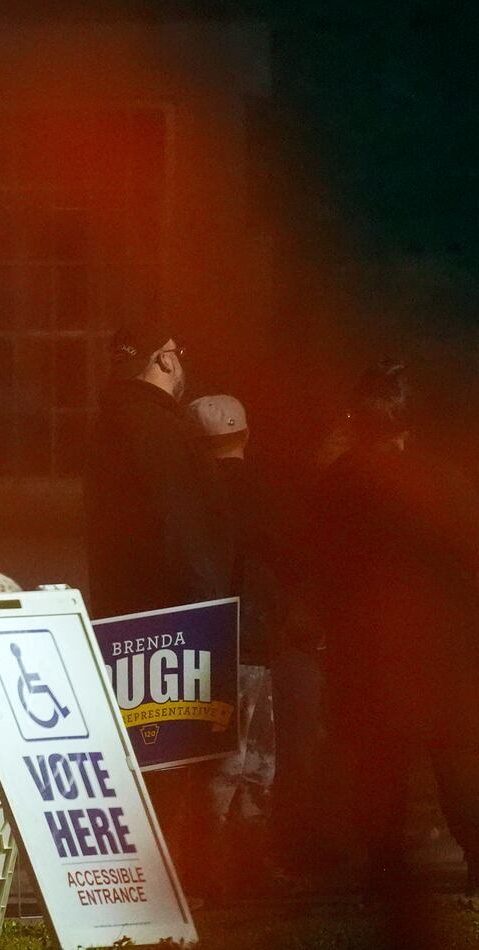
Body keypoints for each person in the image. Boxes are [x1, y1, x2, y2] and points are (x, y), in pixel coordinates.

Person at [315, 359, 479, 894]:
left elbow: (314, 558)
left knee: (380, 757)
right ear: (407, 423)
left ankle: (383, 864)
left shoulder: (339, 482)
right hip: (440, 641)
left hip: (367, 642)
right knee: (455, 751)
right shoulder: (436, 475)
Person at [83, 324, 227, 889]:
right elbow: (181, 527)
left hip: (124, 610)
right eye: (179, 352)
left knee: (141, 755)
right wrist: (210, 598)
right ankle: (179, 878)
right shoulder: (159, 429)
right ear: (164, 358)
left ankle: (148, 873)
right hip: (175, 620)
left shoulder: (107, 425)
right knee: (180, 759)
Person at [186, 395, 283, 893]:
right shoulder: (266, 493)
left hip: (210, 637)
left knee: (219, 760)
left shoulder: (194, 495)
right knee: (258, 760)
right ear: (246, 435)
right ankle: (252, 865)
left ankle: (210, 870)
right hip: (261, 636)